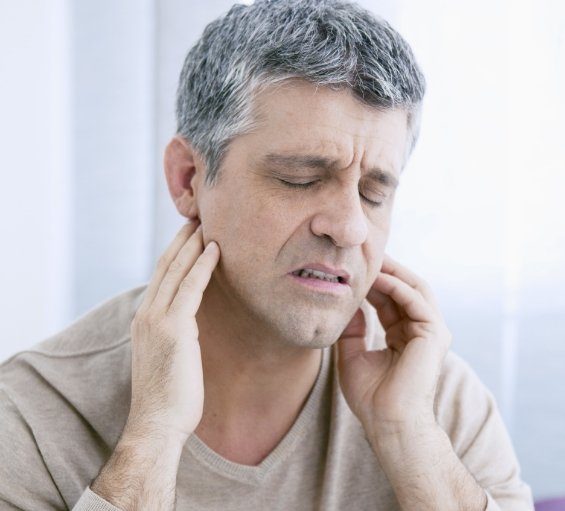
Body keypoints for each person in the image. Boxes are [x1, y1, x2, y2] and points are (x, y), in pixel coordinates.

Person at [0, 1, 534, 510]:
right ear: (189, 180)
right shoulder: (31, 417)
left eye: (374, 192)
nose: (349, 228)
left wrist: (407, 434)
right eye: (299, 178)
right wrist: (154, 435)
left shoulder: (438, 403)